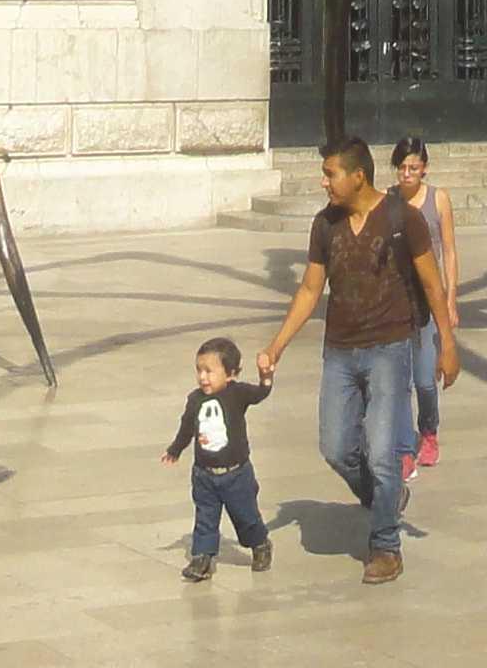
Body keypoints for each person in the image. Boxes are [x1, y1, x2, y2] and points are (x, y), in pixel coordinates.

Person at [256, 138, 456, 585]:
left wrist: (447, 342)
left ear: (358, 176)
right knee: (336, 447)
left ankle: (385, 545)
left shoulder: (402, 218)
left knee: (384, 453)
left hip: (390, 349)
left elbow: (431, 281)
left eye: (330, 174)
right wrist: (276, 346)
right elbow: (310, 289)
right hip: (340, 352)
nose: (323, 182)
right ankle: (386, 497)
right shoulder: (325, 225)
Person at [159, 334, 274, 582]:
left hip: (236, 474)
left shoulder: (237, 393)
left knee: (246, 517)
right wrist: (175, 449)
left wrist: (266, 377)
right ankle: (202, 559)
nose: (203, 377)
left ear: (230, 373)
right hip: (204, 475)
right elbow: (186, 428)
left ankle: (260, 543)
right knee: (205, 519)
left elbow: (260, 393)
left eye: (209, 371)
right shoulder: (195, 400)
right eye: (199, 370)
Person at [391, 136, 458, 474]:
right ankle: (404, 446)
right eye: (402, 168)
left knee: (425, 379)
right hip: (397, 299)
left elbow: (449, 250)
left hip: (429, 299)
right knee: (399, 380)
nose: (407, 174)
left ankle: (428, 431)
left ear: (424, 169)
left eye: (413, 168)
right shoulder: (388, 200)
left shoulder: (438, 199)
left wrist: (451, 299)